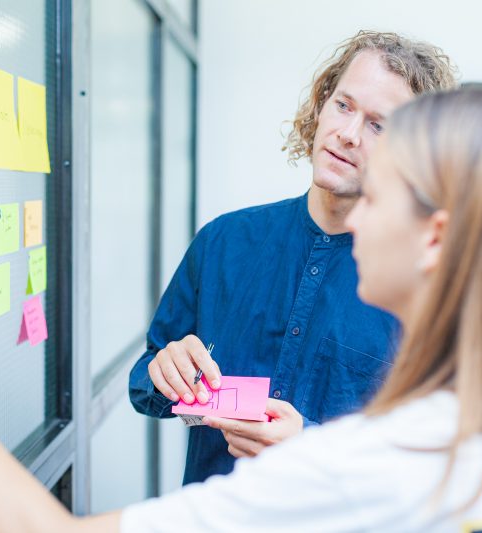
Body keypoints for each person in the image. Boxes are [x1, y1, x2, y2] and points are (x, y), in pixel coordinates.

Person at [0, 86, 482, 531]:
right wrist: (165, 370)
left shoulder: (370, 464)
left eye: (380, 195)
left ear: (436, 237)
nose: (356, 223)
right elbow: (149, 373)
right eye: (343, 105)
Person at [128, 30, 457, 483]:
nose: (348, 135)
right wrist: (164, 371)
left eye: (378, 125)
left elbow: (437, 465)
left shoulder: (419, 287)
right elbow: (144, 383)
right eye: (343, 106)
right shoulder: (223, 241)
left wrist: (313, 446)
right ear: (322, 103)